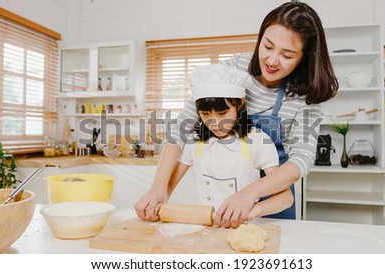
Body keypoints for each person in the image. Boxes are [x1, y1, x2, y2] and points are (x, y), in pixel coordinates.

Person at [135, 1, 338, 228]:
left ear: (304, 57)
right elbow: (182, 126)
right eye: (267, 46)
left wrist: (249, 194)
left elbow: (301, 159)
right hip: (225, 209)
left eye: (287, 55)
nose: (271, 61)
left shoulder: (306, 95)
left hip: (274, 201)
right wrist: (159, 188)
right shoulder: (234, 69)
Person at [165, 64, 293, 223]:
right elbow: (168, 184)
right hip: (206, 229)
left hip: (245, 227)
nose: (214, 123)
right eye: (205, 114)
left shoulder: (258, 141)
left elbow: (286, 197)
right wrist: (156, 199)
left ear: (240, 103)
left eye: (222, 113)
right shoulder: (194, 142)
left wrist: (253, 211)